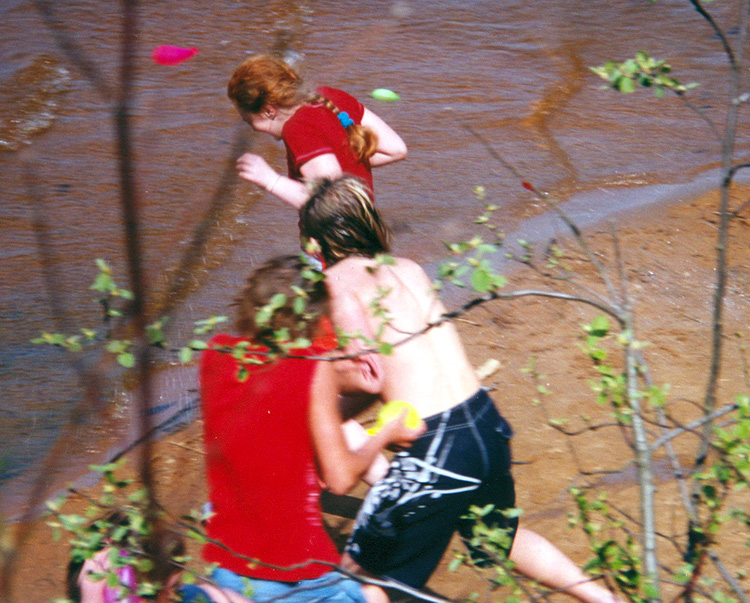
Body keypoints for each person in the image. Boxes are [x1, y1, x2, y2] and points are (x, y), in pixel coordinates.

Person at [298, 176, 620, 603]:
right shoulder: (406, 269)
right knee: (500, 539)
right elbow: (396, 364)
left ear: (316, 245)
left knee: (362, 577)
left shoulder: (337, 287)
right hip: (484, 422)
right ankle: (608, 600)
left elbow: (367, 372)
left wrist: (322, 397)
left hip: (439, 446)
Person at [199, 255, 423, 603]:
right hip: (295, 569)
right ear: (314, 317)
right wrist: (387, 432)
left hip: (228, 565)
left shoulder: (215, 356)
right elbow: (340, 478)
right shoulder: (311, 370)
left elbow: (267, 417)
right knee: (375, 595)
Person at [227, 54, 407, 210]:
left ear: (268, 111)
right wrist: (348, 159)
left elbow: (336, 203)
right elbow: (396, 149)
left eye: (249, 120)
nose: (251, 127)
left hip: (337, 246)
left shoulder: (297, 128)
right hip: (369, 235)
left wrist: (271, 180)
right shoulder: (330, 97)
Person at [66, 511, 248, 603]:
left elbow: (214, 593)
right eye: (173, 587)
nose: (174, 595)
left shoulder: (175, 593)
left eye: (177, 586)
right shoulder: (97, 581)